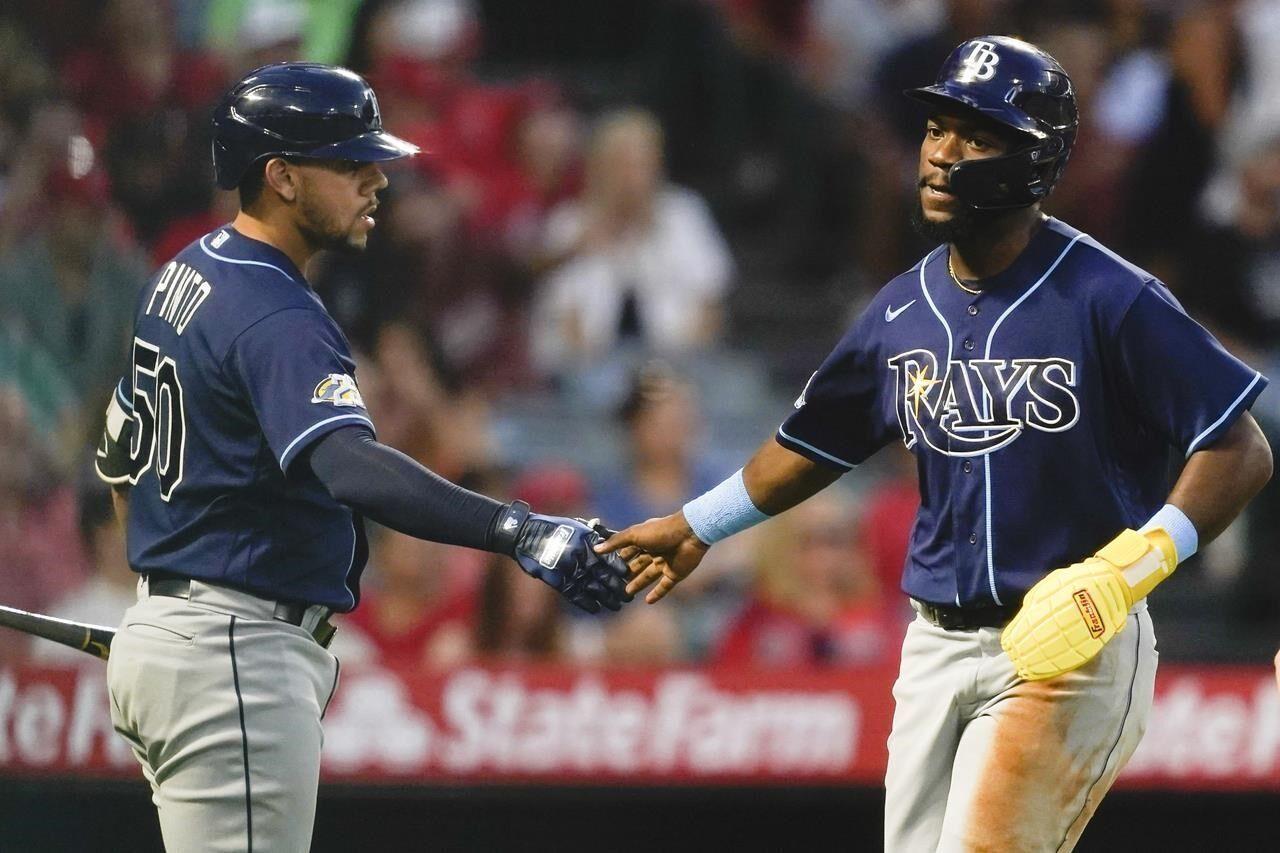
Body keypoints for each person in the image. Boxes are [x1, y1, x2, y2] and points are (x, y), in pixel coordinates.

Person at [599, 36, 1274, 852]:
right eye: (934, 130)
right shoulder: (901, 309)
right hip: (934, 644)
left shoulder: (1109, 295)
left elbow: (1239, 446)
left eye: (973, 134)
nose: (939, 154)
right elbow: (814, 441)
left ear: (1034, 156)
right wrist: (699, 522)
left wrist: (1136, 564)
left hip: (1072, 643)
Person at [93, 62, 630, 853]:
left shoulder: (185, 271)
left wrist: (165, 597)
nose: (378, 178)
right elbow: (349, 465)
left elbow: (117, 455)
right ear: (279, 176)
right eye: (350, 163)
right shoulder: (274, 310)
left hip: (190, 635)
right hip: (232, 650)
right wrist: (520, 529)